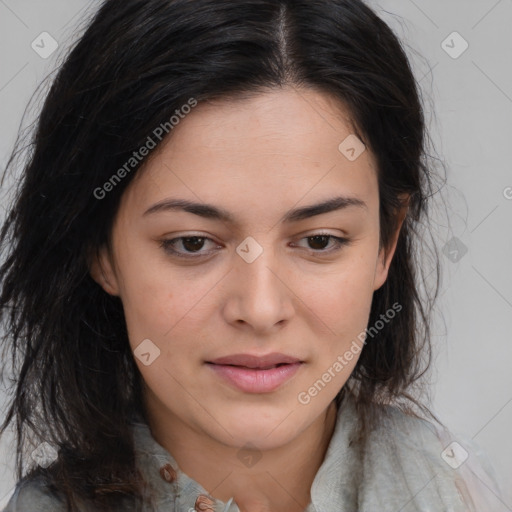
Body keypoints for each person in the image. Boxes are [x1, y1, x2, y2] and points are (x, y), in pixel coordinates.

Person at [0, 0, 505, 511]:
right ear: (100, 250)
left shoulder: (458, 489)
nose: (261, 309)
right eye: (192, 243)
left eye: (319, 240)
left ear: (386, 241)